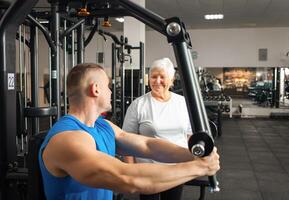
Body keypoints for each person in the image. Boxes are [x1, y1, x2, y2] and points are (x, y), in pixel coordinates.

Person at [38, 63, 220, 200]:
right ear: (95, 89)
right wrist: (200, 167)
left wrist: (193, 155)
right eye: (108, 86)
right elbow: (126, 178)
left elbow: (148, 145)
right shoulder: (67, 139)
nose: (110, 91)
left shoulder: (103, 126)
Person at [122, 58, 194, 200]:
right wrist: (130, 172)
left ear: (172, 79)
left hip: (176, 169)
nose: (157, 81)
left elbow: (189, 134)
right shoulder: (139, 105)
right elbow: (126, 140)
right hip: (148, 171)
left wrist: (195, 160)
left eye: (162, 77)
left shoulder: (182, 103)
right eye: (154, 77)